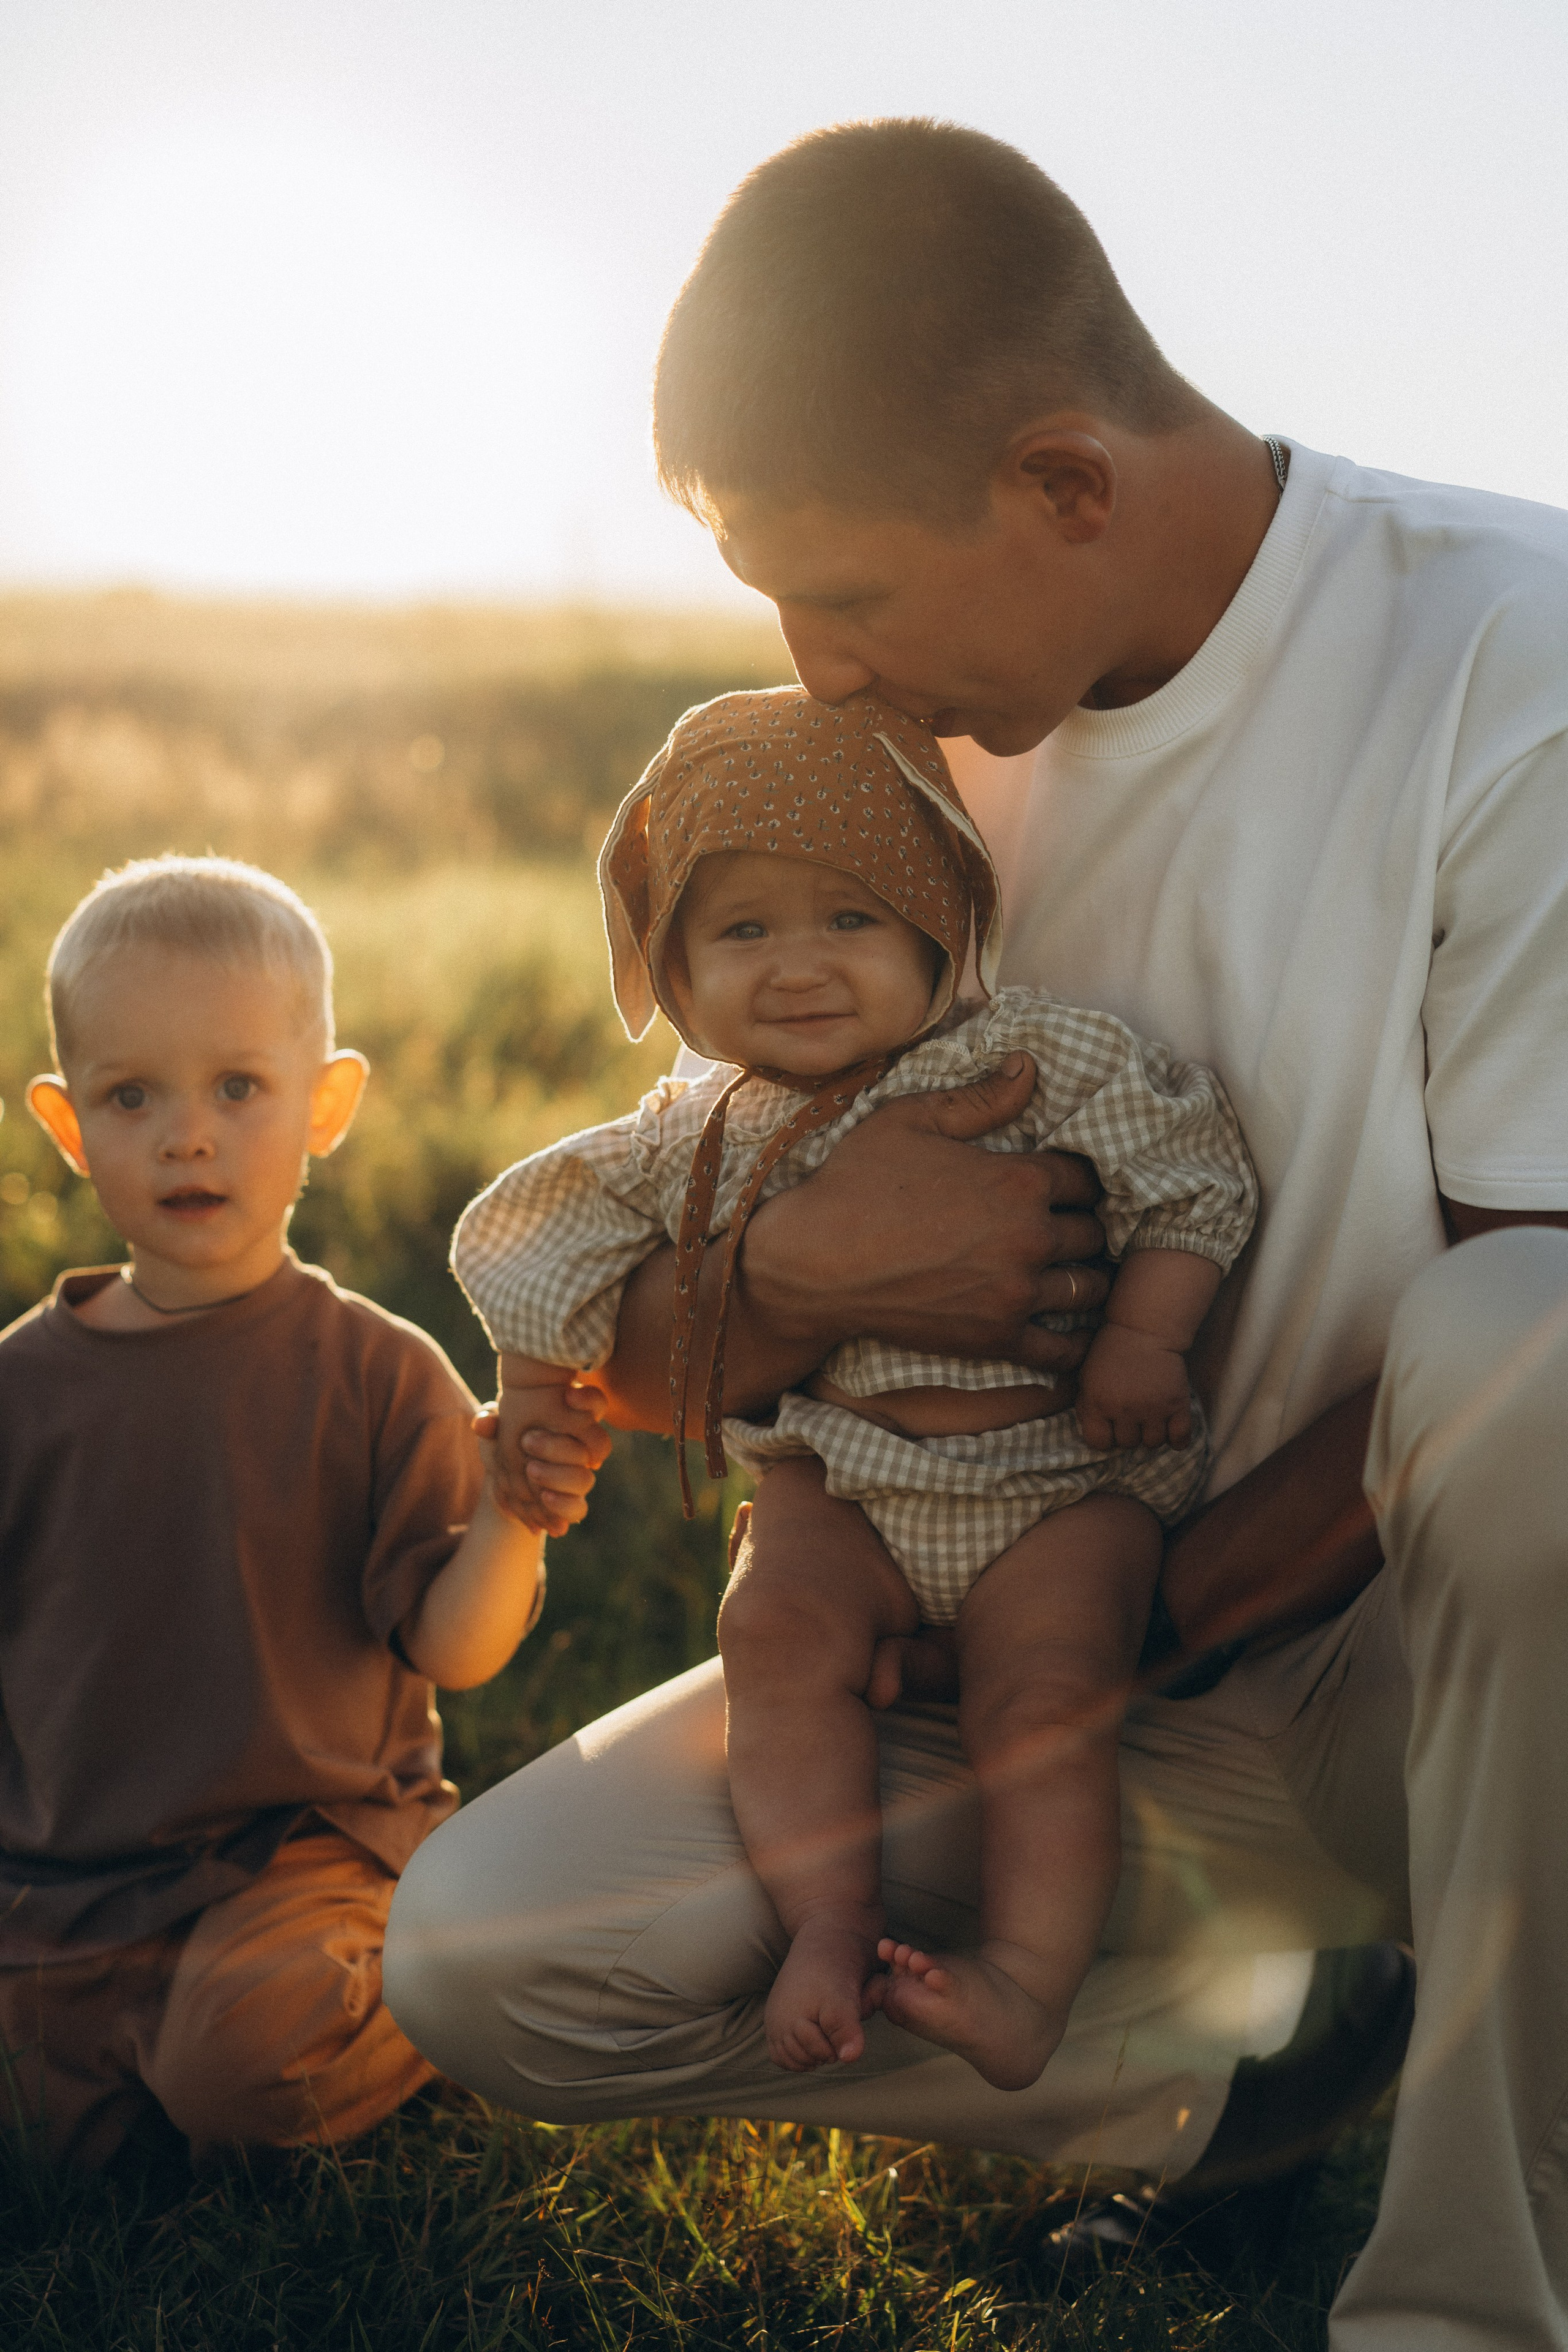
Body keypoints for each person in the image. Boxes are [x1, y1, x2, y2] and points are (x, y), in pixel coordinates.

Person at [385, 121, 1568, 2348]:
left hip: (1432, 1684)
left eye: (846, 592)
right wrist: (809, 1285)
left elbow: (1533, 1340)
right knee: (497, 1958)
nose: (815, 671)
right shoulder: (893, 782)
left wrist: (1126, 1626)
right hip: (1017, 1639)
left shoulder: (1515, 657)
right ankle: (1255, 2062)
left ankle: (1478, 2291)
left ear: (1065, 482)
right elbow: (650, 1269)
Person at [453, 685, 1255, 2092]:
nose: (798, 966)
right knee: (770, 1629)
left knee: (1043, 1694)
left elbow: (1188, 1167)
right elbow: (535, 1227)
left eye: (850, 920)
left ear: (939, 925)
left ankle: (1025, 1979)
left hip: (1058, 1480)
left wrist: (1144, 1337)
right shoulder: (697, 1126)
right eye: (741, 930)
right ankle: (829, 1915)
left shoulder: (1033, 1058)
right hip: (847, 1483)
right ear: (672, 968)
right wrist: (532, 1390)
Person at [0, 854, 550, 2174]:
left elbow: (452, 1650)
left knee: (242, 2068)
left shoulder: (377, 1374)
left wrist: (515, 1516)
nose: (187, 1134)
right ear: (72, 1130)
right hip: (65, 1884)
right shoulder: (23, 1387)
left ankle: (440, 1977)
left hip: (299, 1859)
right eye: (134, 1097)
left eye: (237, 1088)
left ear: (325, 1104)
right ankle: (127, 2068)